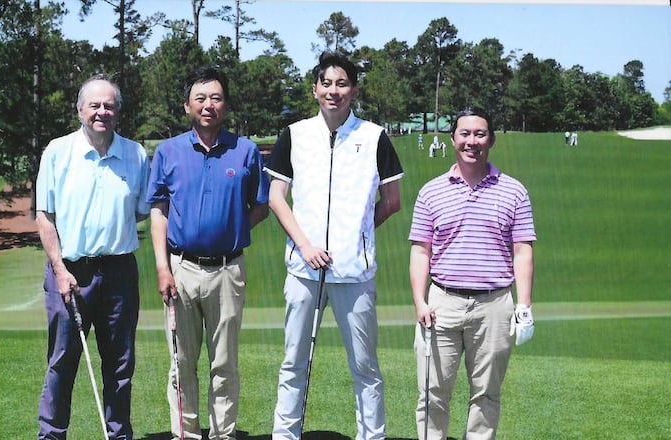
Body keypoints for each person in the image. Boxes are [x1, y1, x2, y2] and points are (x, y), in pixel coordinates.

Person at [266, 51, 404, 440]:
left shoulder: (374, 137)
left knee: (365, 368)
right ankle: (285, 436)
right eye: (326, 83)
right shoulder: (294, 134)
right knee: (294, 364)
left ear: (354, 90)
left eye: (342, 83)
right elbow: (277, 197)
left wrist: (358, 237)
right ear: (314, 89)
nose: (333, 90)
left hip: (354, 274)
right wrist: (306, 245)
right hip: (303, 270)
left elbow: (392, 201)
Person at [147, 66, 270, 440]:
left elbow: (260, 205)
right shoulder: (167, 152)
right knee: (182, 362)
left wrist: (231, 231)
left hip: (228, 271)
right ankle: (186, 434)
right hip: (180, 269)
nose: (208, 105)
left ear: (226, 105)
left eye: (216, 98)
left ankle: (222, 434)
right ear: (187, 106)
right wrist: (162, 268)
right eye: (200, 98)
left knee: (224, 363)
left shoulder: (245, 150)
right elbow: (158, 210)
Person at [409, 107, 536, 440]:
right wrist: (419, 302)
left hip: (494, 306)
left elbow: (522, 250)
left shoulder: (514, 191)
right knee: (432, 392)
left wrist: (524, 306)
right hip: (442, 303)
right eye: (465, 134)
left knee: (486, 395)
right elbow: (421, 251)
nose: (472, 141)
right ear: (453, 139)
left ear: (491, 140)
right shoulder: (431, 191)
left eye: (480, 134)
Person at [35, 74, 150, 440]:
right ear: (80, 110)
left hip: (119, 273)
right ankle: (52, 435)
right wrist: (59, 267)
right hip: (69, 273)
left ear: (118, 111)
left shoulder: (136, 154)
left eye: (109, 105)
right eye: (94, 105)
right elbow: (45, 215)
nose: (102, 112)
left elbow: (142, 210)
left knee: (120, 364)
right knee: (62, 362)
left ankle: (118, 434)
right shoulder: (57, 151)